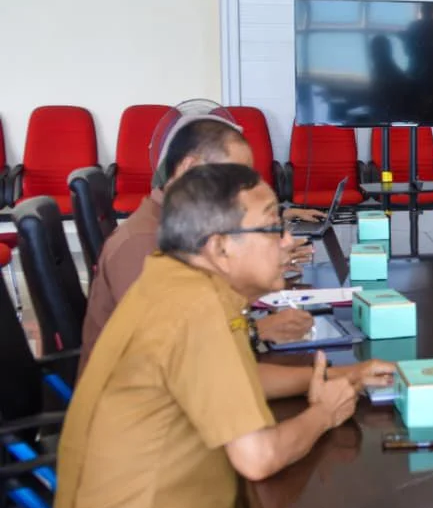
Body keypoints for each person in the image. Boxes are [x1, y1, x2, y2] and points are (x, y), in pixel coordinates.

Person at [50, 163, 369, 508]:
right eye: (271, 226)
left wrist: (341, 377)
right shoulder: (194, 308)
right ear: (220, 247)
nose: (287, 240)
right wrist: (324, 412)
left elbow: (237, 380)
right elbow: (257, 458)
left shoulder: (177, 282)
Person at [80, 117, 329, 371]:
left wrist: (261, 266)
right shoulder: (143, 243)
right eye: (231, 177)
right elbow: (183, 360)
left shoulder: (194, 228)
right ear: (190, 168)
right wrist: (256, 330)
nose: (241, 192)